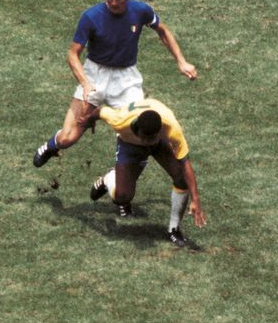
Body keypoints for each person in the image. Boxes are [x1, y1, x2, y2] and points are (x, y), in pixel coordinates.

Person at [32, 0, 196, 168]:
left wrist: (181, 61)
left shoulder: (140, 10)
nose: (113, 3)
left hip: (127, 79)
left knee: (138, 131)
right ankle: (51, 146)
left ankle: (113, 180)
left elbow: (163, 30)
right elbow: (73, 54)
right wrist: (85, 83)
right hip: (95, 75)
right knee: (68, 137)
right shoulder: (91, 17)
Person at [88, 97, 206, 246]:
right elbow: (99, 111)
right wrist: (89, 121)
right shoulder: (120, 120)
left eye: (152, 138)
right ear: (137, 129)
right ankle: (109, 179)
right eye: (144, 138)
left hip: (160, 144)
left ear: (160, 131)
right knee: (123, 196)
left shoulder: (171, 127)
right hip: (129, 144)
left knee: (181, 178)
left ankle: (174, 229)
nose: (147, 142)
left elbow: (185, 163)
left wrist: (195, 199)